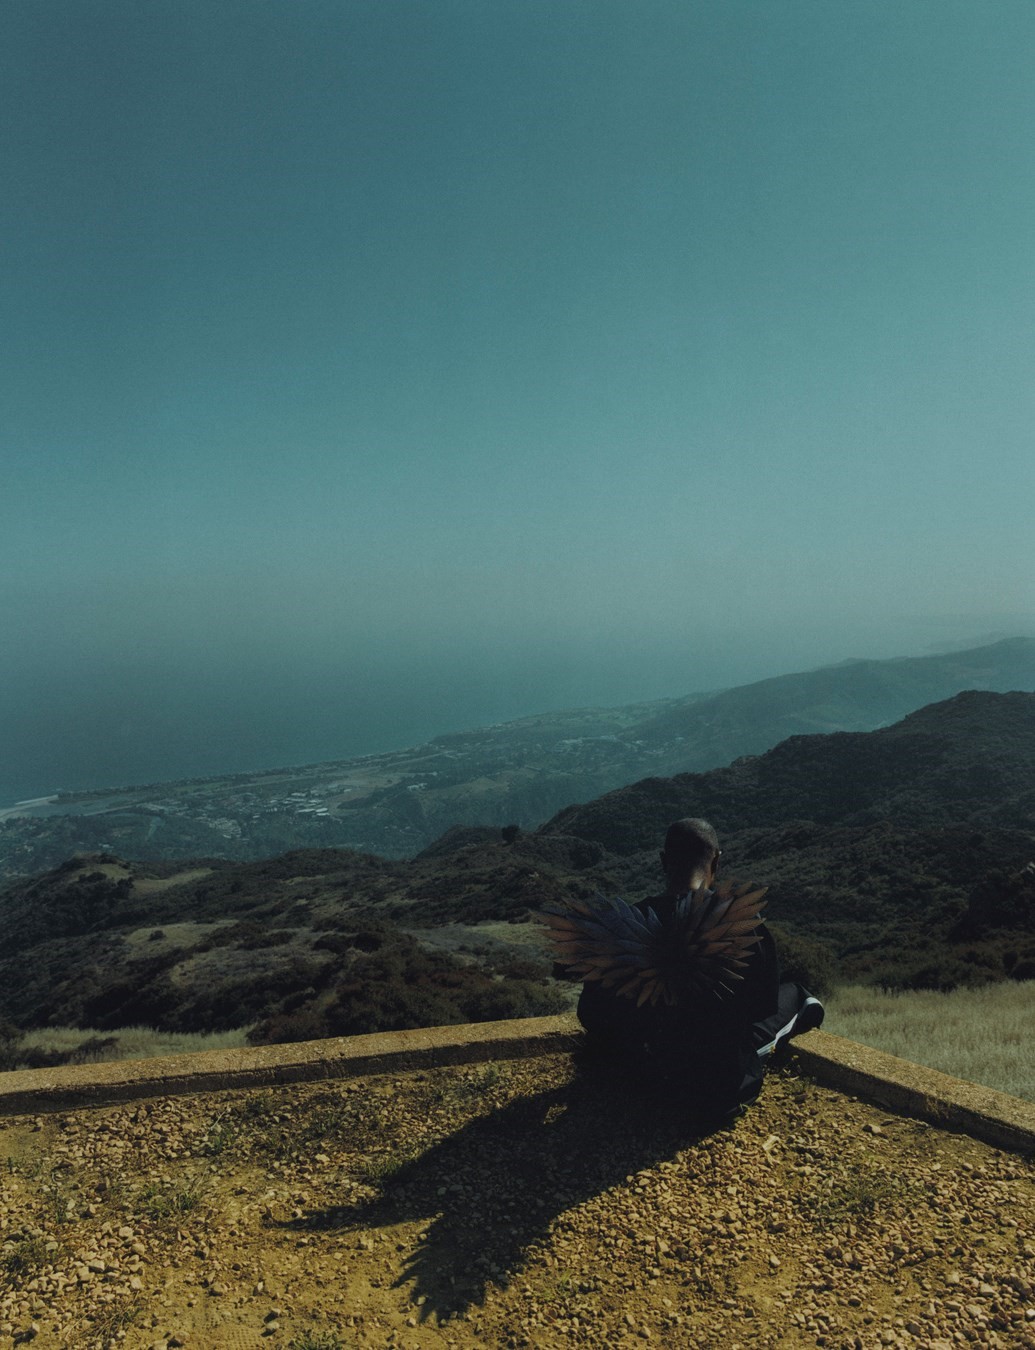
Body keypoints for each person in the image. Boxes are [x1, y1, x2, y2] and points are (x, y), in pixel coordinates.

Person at [573, 817, 824, 1118]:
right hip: (717, 1093)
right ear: (716, 862)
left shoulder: (622, 927)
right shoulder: (742, 926)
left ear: (664, 862)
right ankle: (806, 1004)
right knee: (794, 994)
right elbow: (759, 1010)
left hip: (639, 1085)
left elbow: (591, 1013)